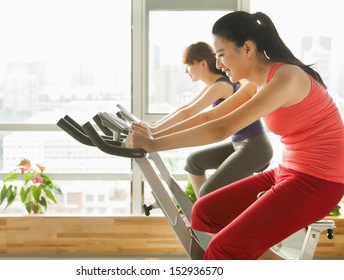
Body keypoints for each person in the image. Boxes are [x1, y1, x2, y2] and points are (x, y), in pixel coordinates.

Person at [126, 11, 344, 260]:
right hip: (289, 171)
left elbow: (222, 129)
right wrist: (153, 133)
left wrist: (154, 143)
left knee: (221, 250)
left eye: (220, 54)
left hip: (319, 182)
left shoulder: (287, 78)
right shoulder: (256, 82)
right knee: (205, 211)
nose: (218, 64)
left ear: (247, 48)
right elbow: (210, 117)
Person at [137, 42, 272, 198]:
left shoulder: (222, 85)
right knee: (194, 162)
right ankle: (203, 212)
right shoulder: (215, 84)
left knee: (208, 191)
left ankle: (205, 214)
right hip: (240, 144)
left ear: (202, 64)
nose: (186, 71)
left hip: (255, 147)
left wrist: (154, 134)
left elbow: (191, 113)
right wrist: (153, 127)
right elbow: (184, 109)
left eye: (188, 64)